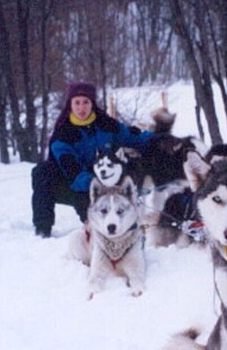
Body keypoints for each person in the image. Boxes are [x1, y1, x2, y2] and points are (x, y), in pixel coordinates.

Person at [31, 81, 154, 237]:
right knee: (41, 171)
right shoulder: (63, 134)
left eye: (85, 102)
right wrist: (98, 186)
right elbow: (73, 172)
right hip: (73, 185)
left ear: (92, 103)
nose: (81, 108)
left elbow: (134, 137)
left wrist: (160, 140)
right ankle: (43, 229)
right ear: (70, 104)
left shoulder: (106, 125)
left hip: (104, 182)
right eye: (77, 103)